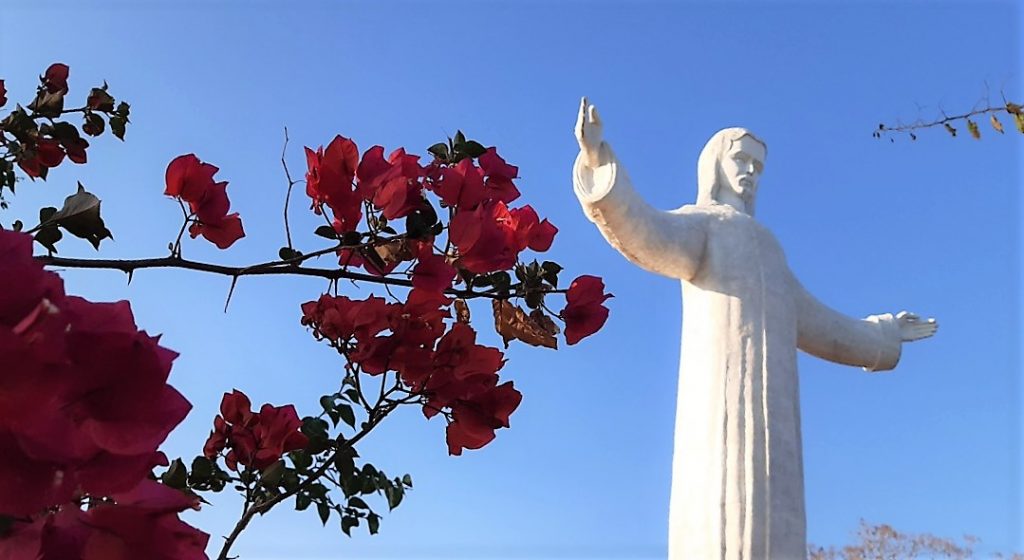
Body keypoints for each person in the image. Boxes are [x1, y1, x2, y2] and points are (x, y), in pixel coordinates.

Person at [572, 97, 938, 559]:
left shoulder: (768, 247)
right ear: (716, 165)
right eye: (740, 159)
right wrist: (596, 157)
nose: (750, 172)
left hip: (775, 414)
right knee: (714, 517)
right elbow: (641, 229)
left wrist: (882, 335)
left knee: (777, 521)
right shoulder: (704, 224)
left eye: (758, 166)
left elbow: (816, 321)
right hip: (715, 405)